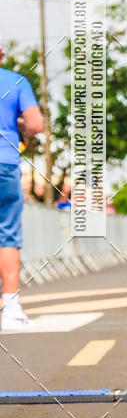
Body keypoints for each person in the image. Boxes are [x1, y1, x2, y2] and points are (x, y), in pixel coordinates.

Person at [0, 45, 44, 331]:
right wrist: (19, 128)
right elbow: (36, 124)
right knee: (7, 234)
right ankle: (11, 307)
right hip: (5, 164)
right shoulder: (16, 81)